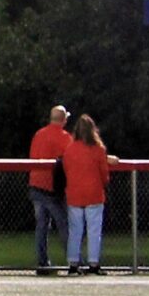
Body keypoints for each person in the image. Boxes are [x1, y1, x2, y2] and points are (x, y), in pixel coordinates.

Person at [60, 112, 114, 276]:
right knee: (94, 230)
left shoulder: (69, 149)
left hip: (75, 194)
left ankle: (73, 264)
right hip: (94, 193)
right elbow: (104, 174)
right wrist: (103, 183)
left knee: (75, 230)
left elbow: (66, 170)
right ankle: (93, 263)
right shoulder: (98, 149)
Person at [25, 104, 71, 276]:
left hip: (36, 185)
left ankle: (42, 263)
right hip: (52, 189)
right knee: (64, 224)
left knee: (42, 226)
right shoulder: (65, 137)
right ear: (63, 120)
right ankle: (73, 261)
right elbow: (71, 160)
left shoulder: (39, 134)